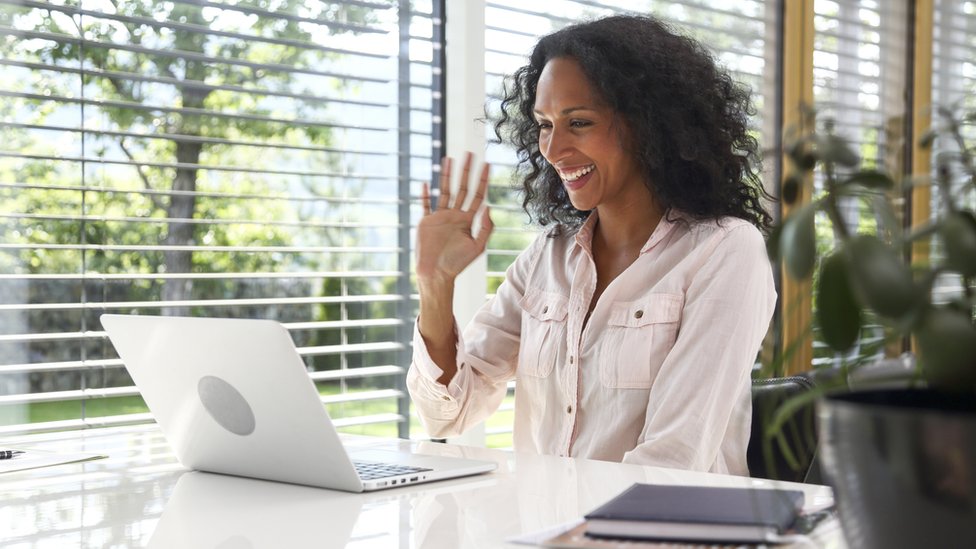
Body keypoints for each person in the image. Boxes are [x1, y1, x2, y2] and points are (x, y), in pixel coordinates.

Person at [407, 14, 776, 475]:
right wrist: (434, 285)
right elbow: (447, 413)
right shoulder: (548, 256)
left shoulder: (724, 251)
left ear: (648, 124)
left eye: (578, 122)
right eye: (544, 124)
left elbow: (675, 458)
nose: (553, 148)